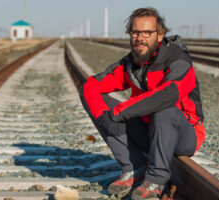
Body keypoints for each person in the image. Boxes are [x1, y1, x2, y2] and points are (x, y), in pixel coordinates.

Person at [80, 7, 205, 200]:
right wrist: (102, 116)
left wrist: (119, 112)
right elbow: (92, 85)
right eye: (135, 32)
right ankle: (134, 167)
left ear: (160, 35)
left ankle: (156, 178)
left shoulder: (179, 60)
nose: (140, 37)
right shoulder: (131, 63)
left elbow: (168, 94)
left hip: (184, 133)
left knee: (164, 110)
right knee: (96, 100)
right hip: (148, 130)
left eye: (147, 32)